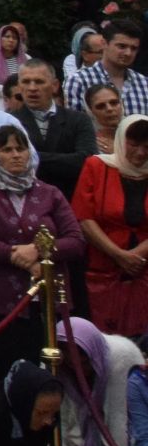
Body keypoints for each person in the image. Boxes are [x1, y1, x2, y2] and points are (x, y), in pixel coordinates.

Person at [0, 115, 82, 379]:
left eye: (20, 148)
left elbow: (75, 239)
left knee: (54, 377)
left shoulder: (50, 192)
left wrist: (37, 251)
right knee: (8, 374)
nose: (15, 155)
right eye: (6, 149)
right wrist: (15, 256)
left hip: (48, 302)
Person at [70, 114, 148, 335]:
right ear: (122, 141)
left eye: (147, 146)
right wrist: (119, 255)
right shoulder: (96, 165)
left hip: (144, 270)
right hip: (103, 267)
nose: (141, 153)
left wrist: (138, 255)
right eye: (134, 145)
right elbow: (84, 217)